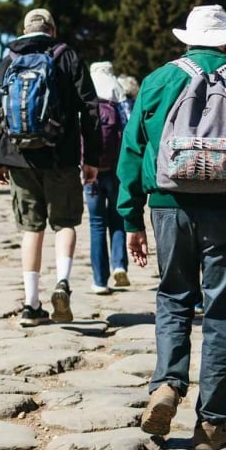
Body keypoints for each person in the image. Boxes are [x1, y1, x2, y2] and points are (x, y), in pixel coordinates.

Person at [118, 5, 226, 450]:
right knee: (223, 310)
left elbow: (132, 153)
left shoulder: (158, 81)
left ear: (187, 39)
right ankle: (213, 422)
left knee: (174, 297)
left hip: (169, 207)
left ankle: (167, 385)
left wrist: (131, 218)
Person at [0, 8, 101, 328]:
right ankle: (62, 282)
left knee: (31, 228)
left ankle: (31, 304)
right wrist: (92, 158)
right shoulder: (66, 56)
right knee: (64, 223)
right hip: (61, 156)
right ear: (52, 29)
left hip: (19, 156)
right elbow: (90, 110)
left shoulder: (9, 59)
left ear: (25, 29)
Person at [86, 61, 130, 294]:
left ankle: (99, 281)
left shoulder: (86, 90)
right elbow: (130, 126)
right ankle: (119, 265)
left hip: (90, 170)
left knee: (96, 224)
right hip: (116, 168)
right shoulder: (117, 90)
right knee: (118, 218)